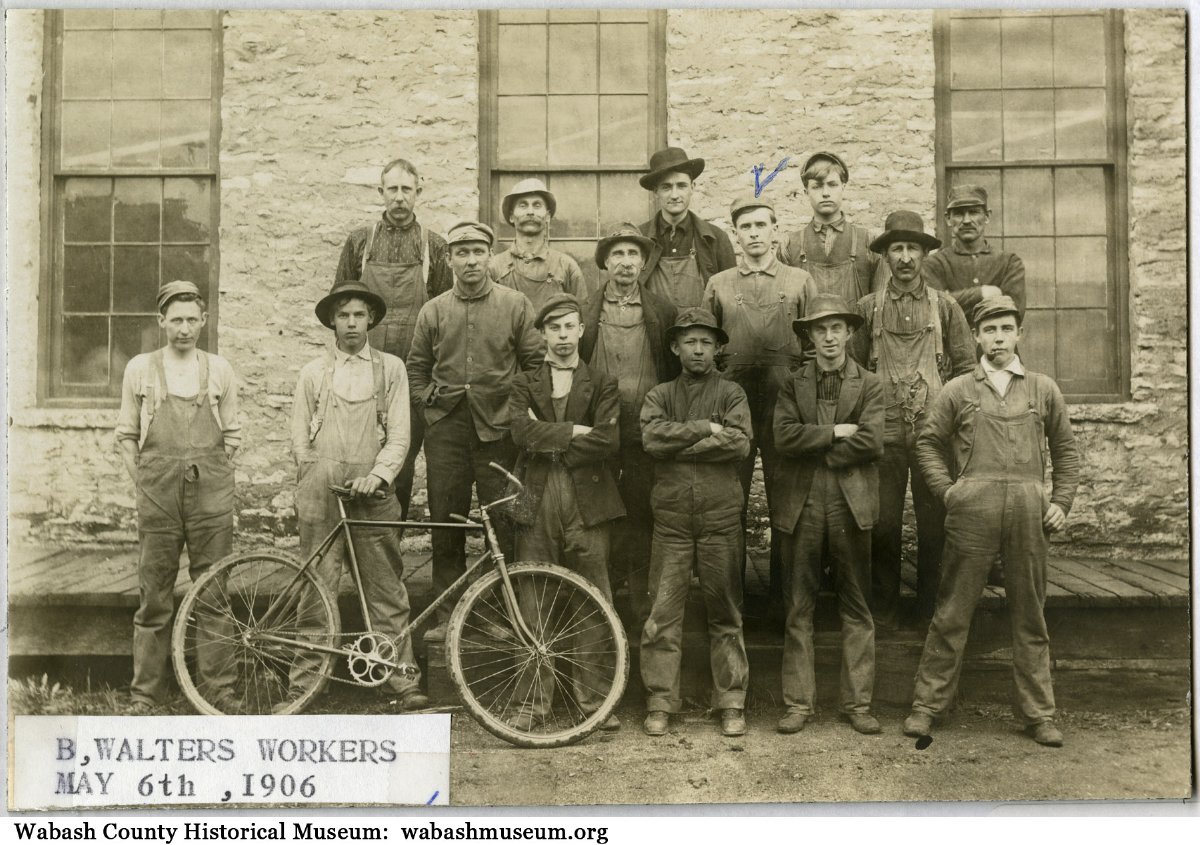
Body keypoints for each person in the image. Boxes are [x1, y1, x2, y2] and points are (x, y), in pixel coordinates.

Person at [905, 296, 1080, 747]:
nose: (998, 338)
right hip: (972, 510)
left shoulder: (1043, 389)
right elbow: (927, 443)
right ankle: (927, 707)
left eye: (1006, 329)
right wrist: (949, 491)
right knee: (952, 611)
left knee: (1030, 614)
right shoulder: (959, 389)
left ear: (1018, 334)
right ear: (977, 337)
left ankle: (1039, 714)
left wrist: (1060, 501)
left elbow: (1065, 451)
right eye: (989, 331)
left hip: (1027, 510)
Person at [290, 281, 428, 711]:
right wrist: (315, 472)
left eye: (359, 315)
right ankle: (307, 684)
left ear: (371, 319)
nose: (351, 323)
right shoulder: (314, 372)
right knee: (318, 588)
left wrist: (380, 475)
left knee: (385, 588)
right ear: (332, 320)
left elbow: (401, 435)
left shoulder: (391, 370)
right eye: (343, 315)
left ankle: (399, 680)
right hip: (322, 490)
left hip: (373, 491)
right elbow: (299, 437)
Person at [407, 221, 543, 641]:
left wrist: (513, 407)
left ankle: (497, 614)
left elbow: (535, 365)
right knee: (446, 526)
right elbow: (416, 369)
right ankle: (449, 616)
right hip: (446, 431)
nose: (470, 260)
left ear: (490, 256)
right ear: (449, 259)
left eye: (478, 252)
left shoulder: (515, 304)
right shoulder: (433, 310)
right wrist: (431, 403)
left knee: (500, 525)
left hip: (496, 430)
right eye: (461, 252)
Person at [116, 280, 239, 712]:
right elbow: (127, 436)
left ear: (204, 321)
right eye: (176, 320)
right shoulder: (141, 368)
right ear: (161, 321)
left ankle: (219, 691)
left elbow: (233, 436)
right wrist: (144, 483)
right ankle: (145, 694)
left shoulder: (219, 369)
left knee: (214, 592)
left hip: (210, 494)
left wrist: (219, 479)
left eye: (192, 319)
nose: (184, 328)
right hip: (158, 494)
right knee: (154, 595)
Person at [848, 211, 975, 628]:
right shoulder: (867, 309)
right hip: (881, 432)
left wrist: (950, 424)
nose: (904, 258)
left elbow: (966, 370)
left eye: (912, 249)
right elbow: (853, 370)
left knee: (935, 524)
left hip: (932, 435)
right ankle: (881, 613)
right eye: (896, 249)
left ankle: (930, 613)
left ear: (924, 254)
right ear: (884, 256)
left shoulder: (947, 307)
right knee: (881, 524)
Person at [506, 293, 625, 732]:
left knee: (593, 597)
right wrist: (574, 429)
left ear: (581, 331)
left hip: (587, 498)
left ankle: (594, 700)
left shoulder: (603, 381)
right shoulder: (525, 383)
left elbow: (608, 441)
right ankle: (531, 703)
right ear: (542, 334)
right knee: (533, 597)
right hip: (536, 495)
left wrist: (549, 435)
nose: (562, 335)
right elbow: (520, 431)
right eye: (553, 327)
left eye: (569, 326)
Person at [772, 293, 885, 735]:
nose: (830, 337)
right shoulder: (792, 384)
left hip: (850, 503)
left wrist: (815, 448)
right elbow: (782, 437)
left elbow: (873, 441)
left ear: (850, 333)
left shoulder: (871, 384)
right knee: (798, 605)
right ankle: (799, 703)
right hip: (802, 504)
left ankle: (858, 705)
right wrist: (836, 432)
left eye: (837, 328)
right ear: (810, 337)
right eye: (820, 329)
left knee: (856, 605)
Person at [639, 308, 752, 738]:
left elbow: (739, 444)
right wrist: (706, 429)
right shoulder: (660, 394)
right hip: (670, 521)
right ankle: (661, 701)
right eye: (690, 341)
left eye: (706, 342)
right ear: (674, 347)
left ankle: (731, 701)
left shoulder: (732, 393)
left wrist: (679, 442)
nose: (699, 349)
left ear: (718, 347)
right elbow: (651, 439)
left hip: (720, 518)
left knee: (725, 610)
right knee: (663, 613)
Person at [702, 195, 819, 602]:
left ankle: (785, 603)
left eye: (761, 226)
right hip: (733, 403)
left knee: (786, 498)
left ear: (774, 231)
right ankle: (729, 600)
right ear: (737, 234)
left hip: (784, 400)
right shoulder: (718, 284)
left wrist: (803, 397)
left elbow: (814, 348)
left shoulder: (799, 281)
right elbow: (706, 344)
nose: (754, 233)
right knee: (728, 496)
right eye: (746, 227)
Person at [333, 158, 453, 519]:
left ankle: (390, 551)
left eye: (407, 189)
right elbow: (339, 308)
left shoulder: (434, 245)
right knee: (357, 458)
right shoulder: (360, 242)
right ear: (381, 192)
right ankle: (358, 548)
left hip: (414, 375)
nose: (399, 197)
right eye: (392, 189)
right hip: (365, 371)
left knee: (400, 463)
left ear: (418, 192)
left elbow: (446, 317)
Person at [580, 223, 678, 626]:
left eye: (633, 254)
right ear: (605, 262)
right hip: (600, 428)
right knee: (600, 513)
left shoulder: (661, 310)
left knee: (640, 513)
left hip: (643, 428)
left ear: (643, 262)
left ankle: (640, 606)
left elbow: (672, 372)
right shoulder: (586, 310)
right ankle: (601, 604)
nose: (625, 262)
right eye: (617, 254)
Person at [777, 152, 887, 303]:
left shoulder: (869, 242)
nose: (826, 193)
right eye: (817, 186)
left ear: (843, 187)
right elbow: (783, 308)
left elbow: (880, 307)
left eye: (832, 185)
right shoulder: (789, 245)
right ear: (806, 192)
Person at [637, 146, 736, 309]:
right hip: (654, 331)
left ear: (693, 187)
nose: (674, 195)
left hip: (700, 331)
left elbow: (731, 299)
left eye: (681, 186)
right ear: (656, 192)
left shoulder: (716, 239)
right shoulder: (640, 238)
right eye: (666, 187)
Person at [923, 185, 1026, 330]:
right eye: (958, 214)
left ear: (987, 216)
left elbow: (1013, 314)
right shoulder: (934, 264)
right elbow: (934, 311)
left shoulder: (1009, 263)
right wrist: (981, 293)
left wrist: (952, 298)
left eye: (973, 212)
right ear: (948, 219)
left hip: (999, 349)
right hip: (952, 351)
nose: (966, 220)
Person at [489, 178, 590, 316]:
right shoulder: (494, 267)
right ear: (511, 216)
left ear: (547, 216)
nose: (530, 211)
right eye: (523, 205)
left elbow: (581, 318)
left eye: (537, 205)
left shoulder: (567, 266)